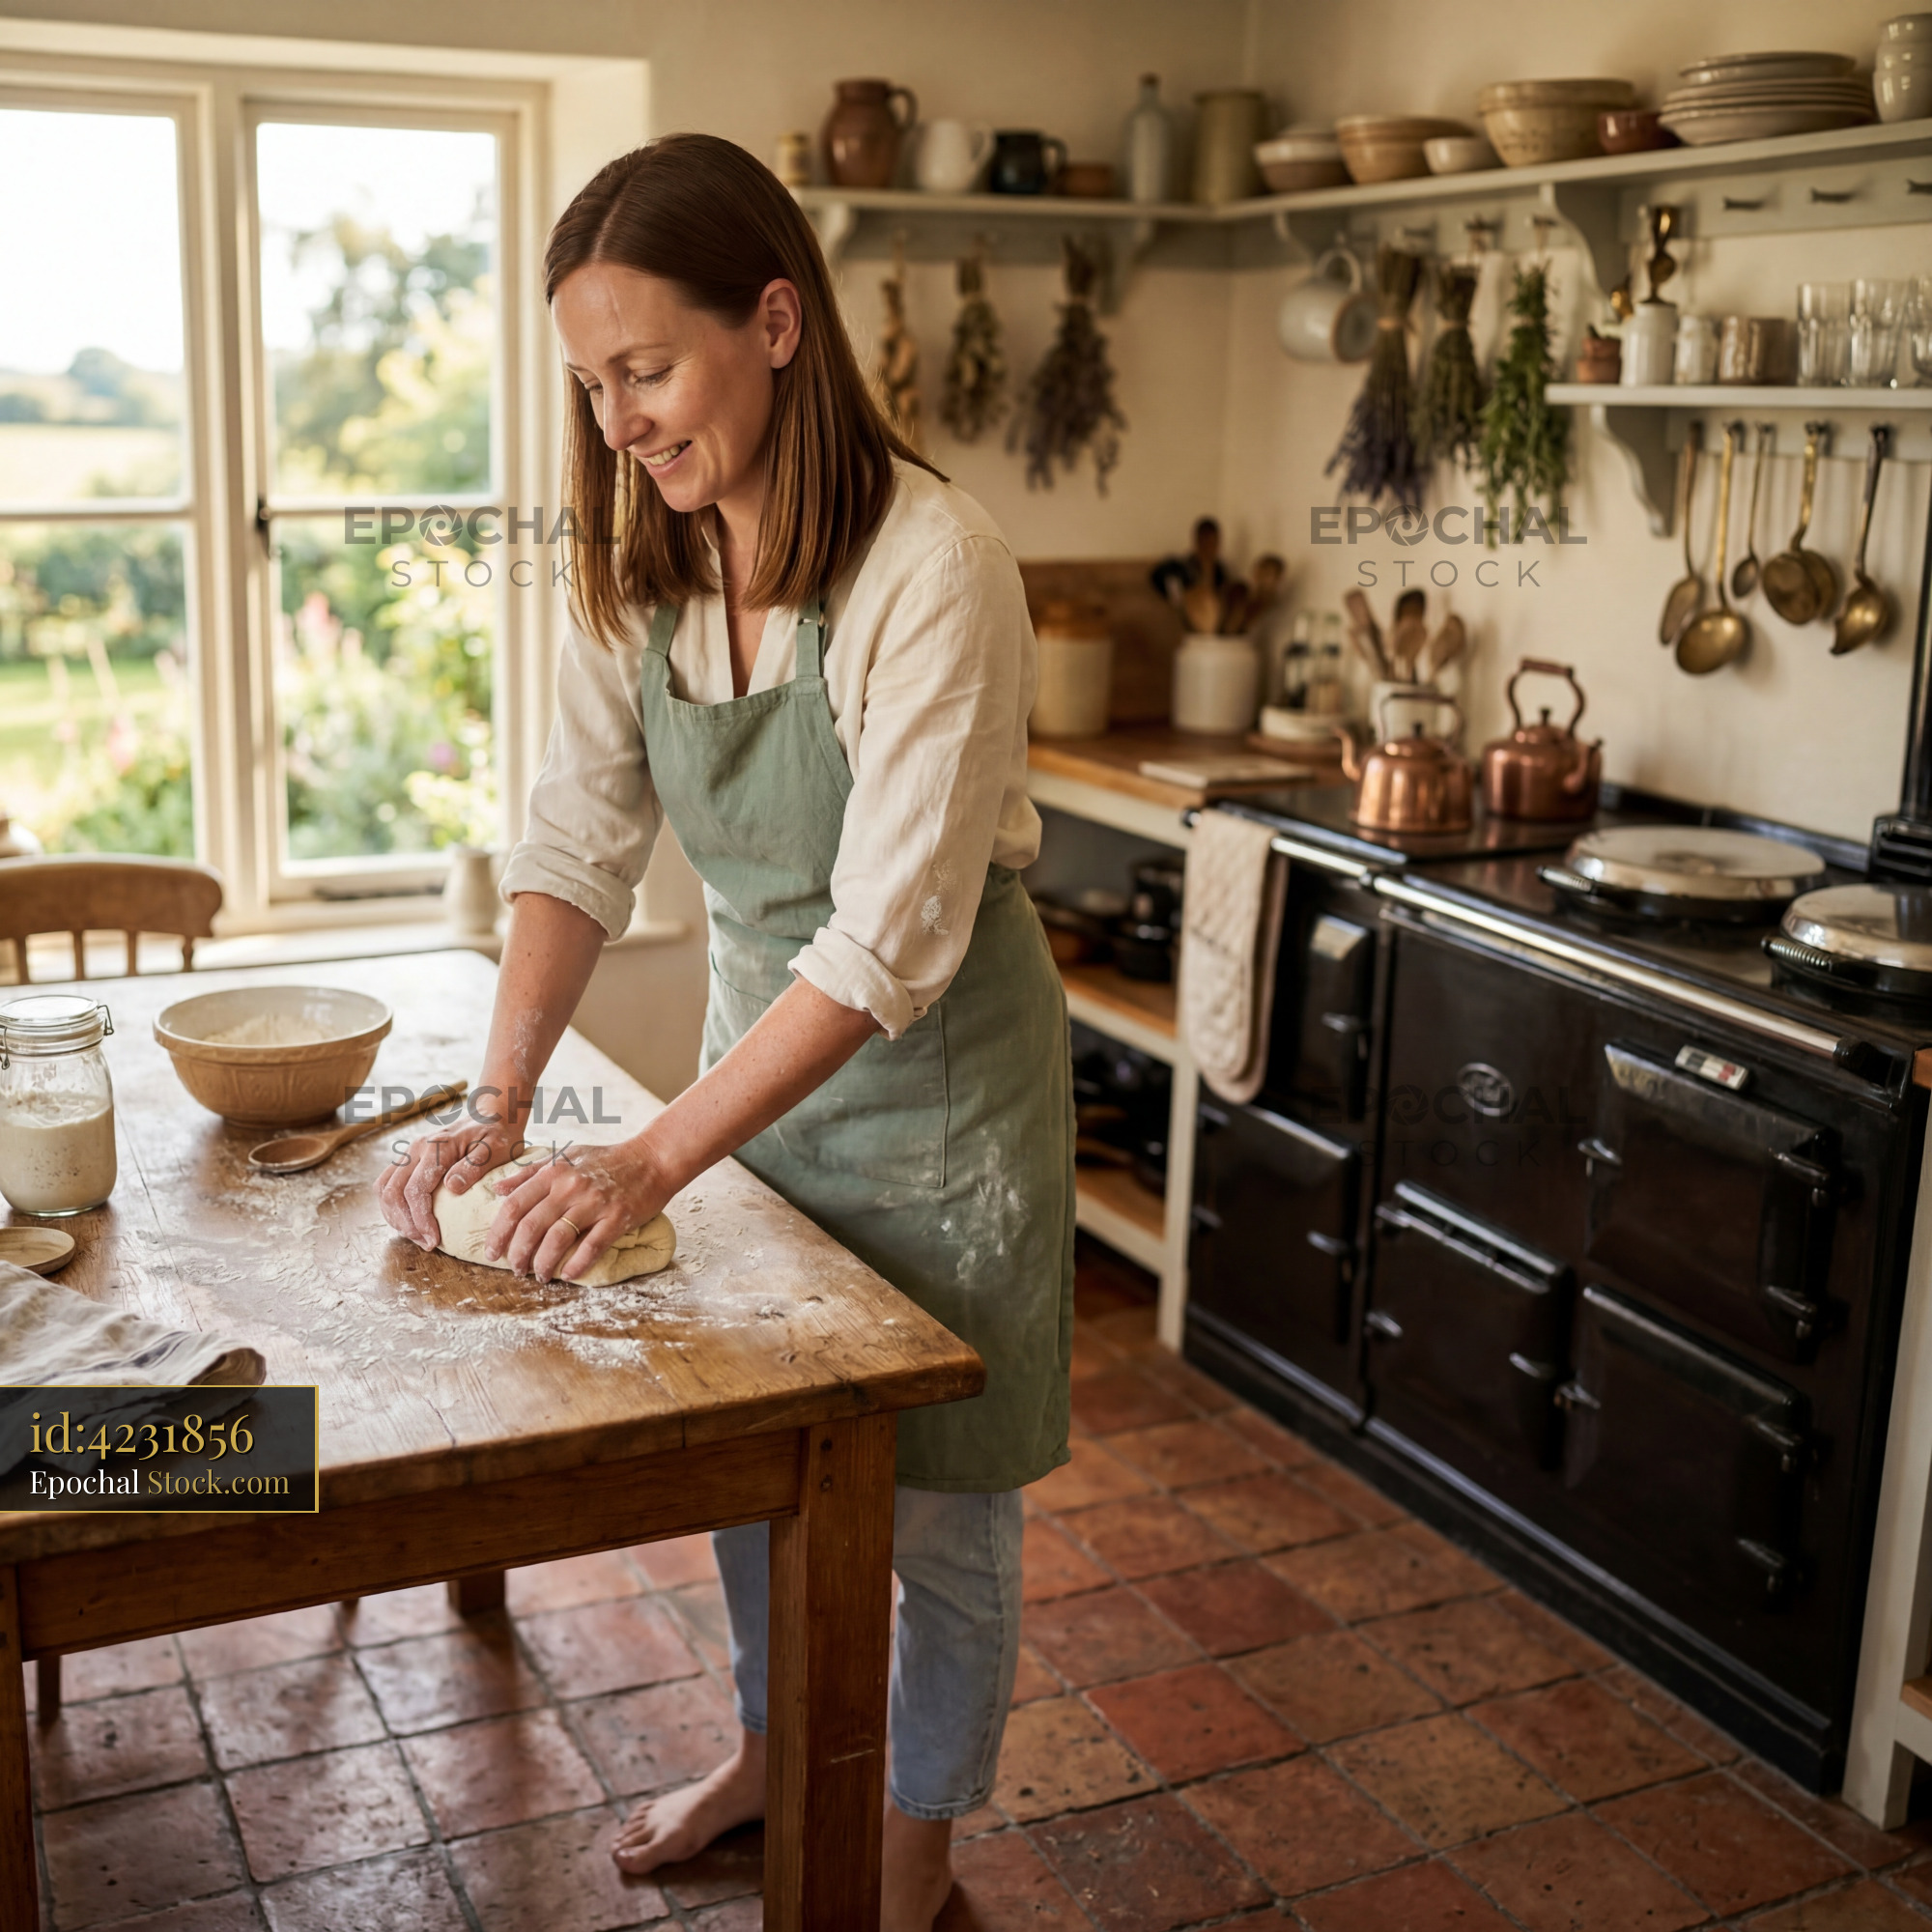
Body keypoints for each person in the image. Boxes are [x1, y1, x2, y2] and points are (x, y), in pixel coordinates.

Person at [377, 131, 1074, 1932]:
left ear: (777, 322)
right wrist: (505, 1100)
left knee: (944, 1505)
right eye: (589, 383)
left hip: (941, 1090)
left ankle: (913, 1849)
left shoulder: (937, 565)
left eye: (645, 371)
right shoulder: (646, 570)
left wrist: (645, 1153)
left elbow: (892, 938)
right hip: (758, 1069)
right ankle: (777, 1757)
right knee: (777, 1463)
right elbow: (570, 843)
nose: (615, 424)